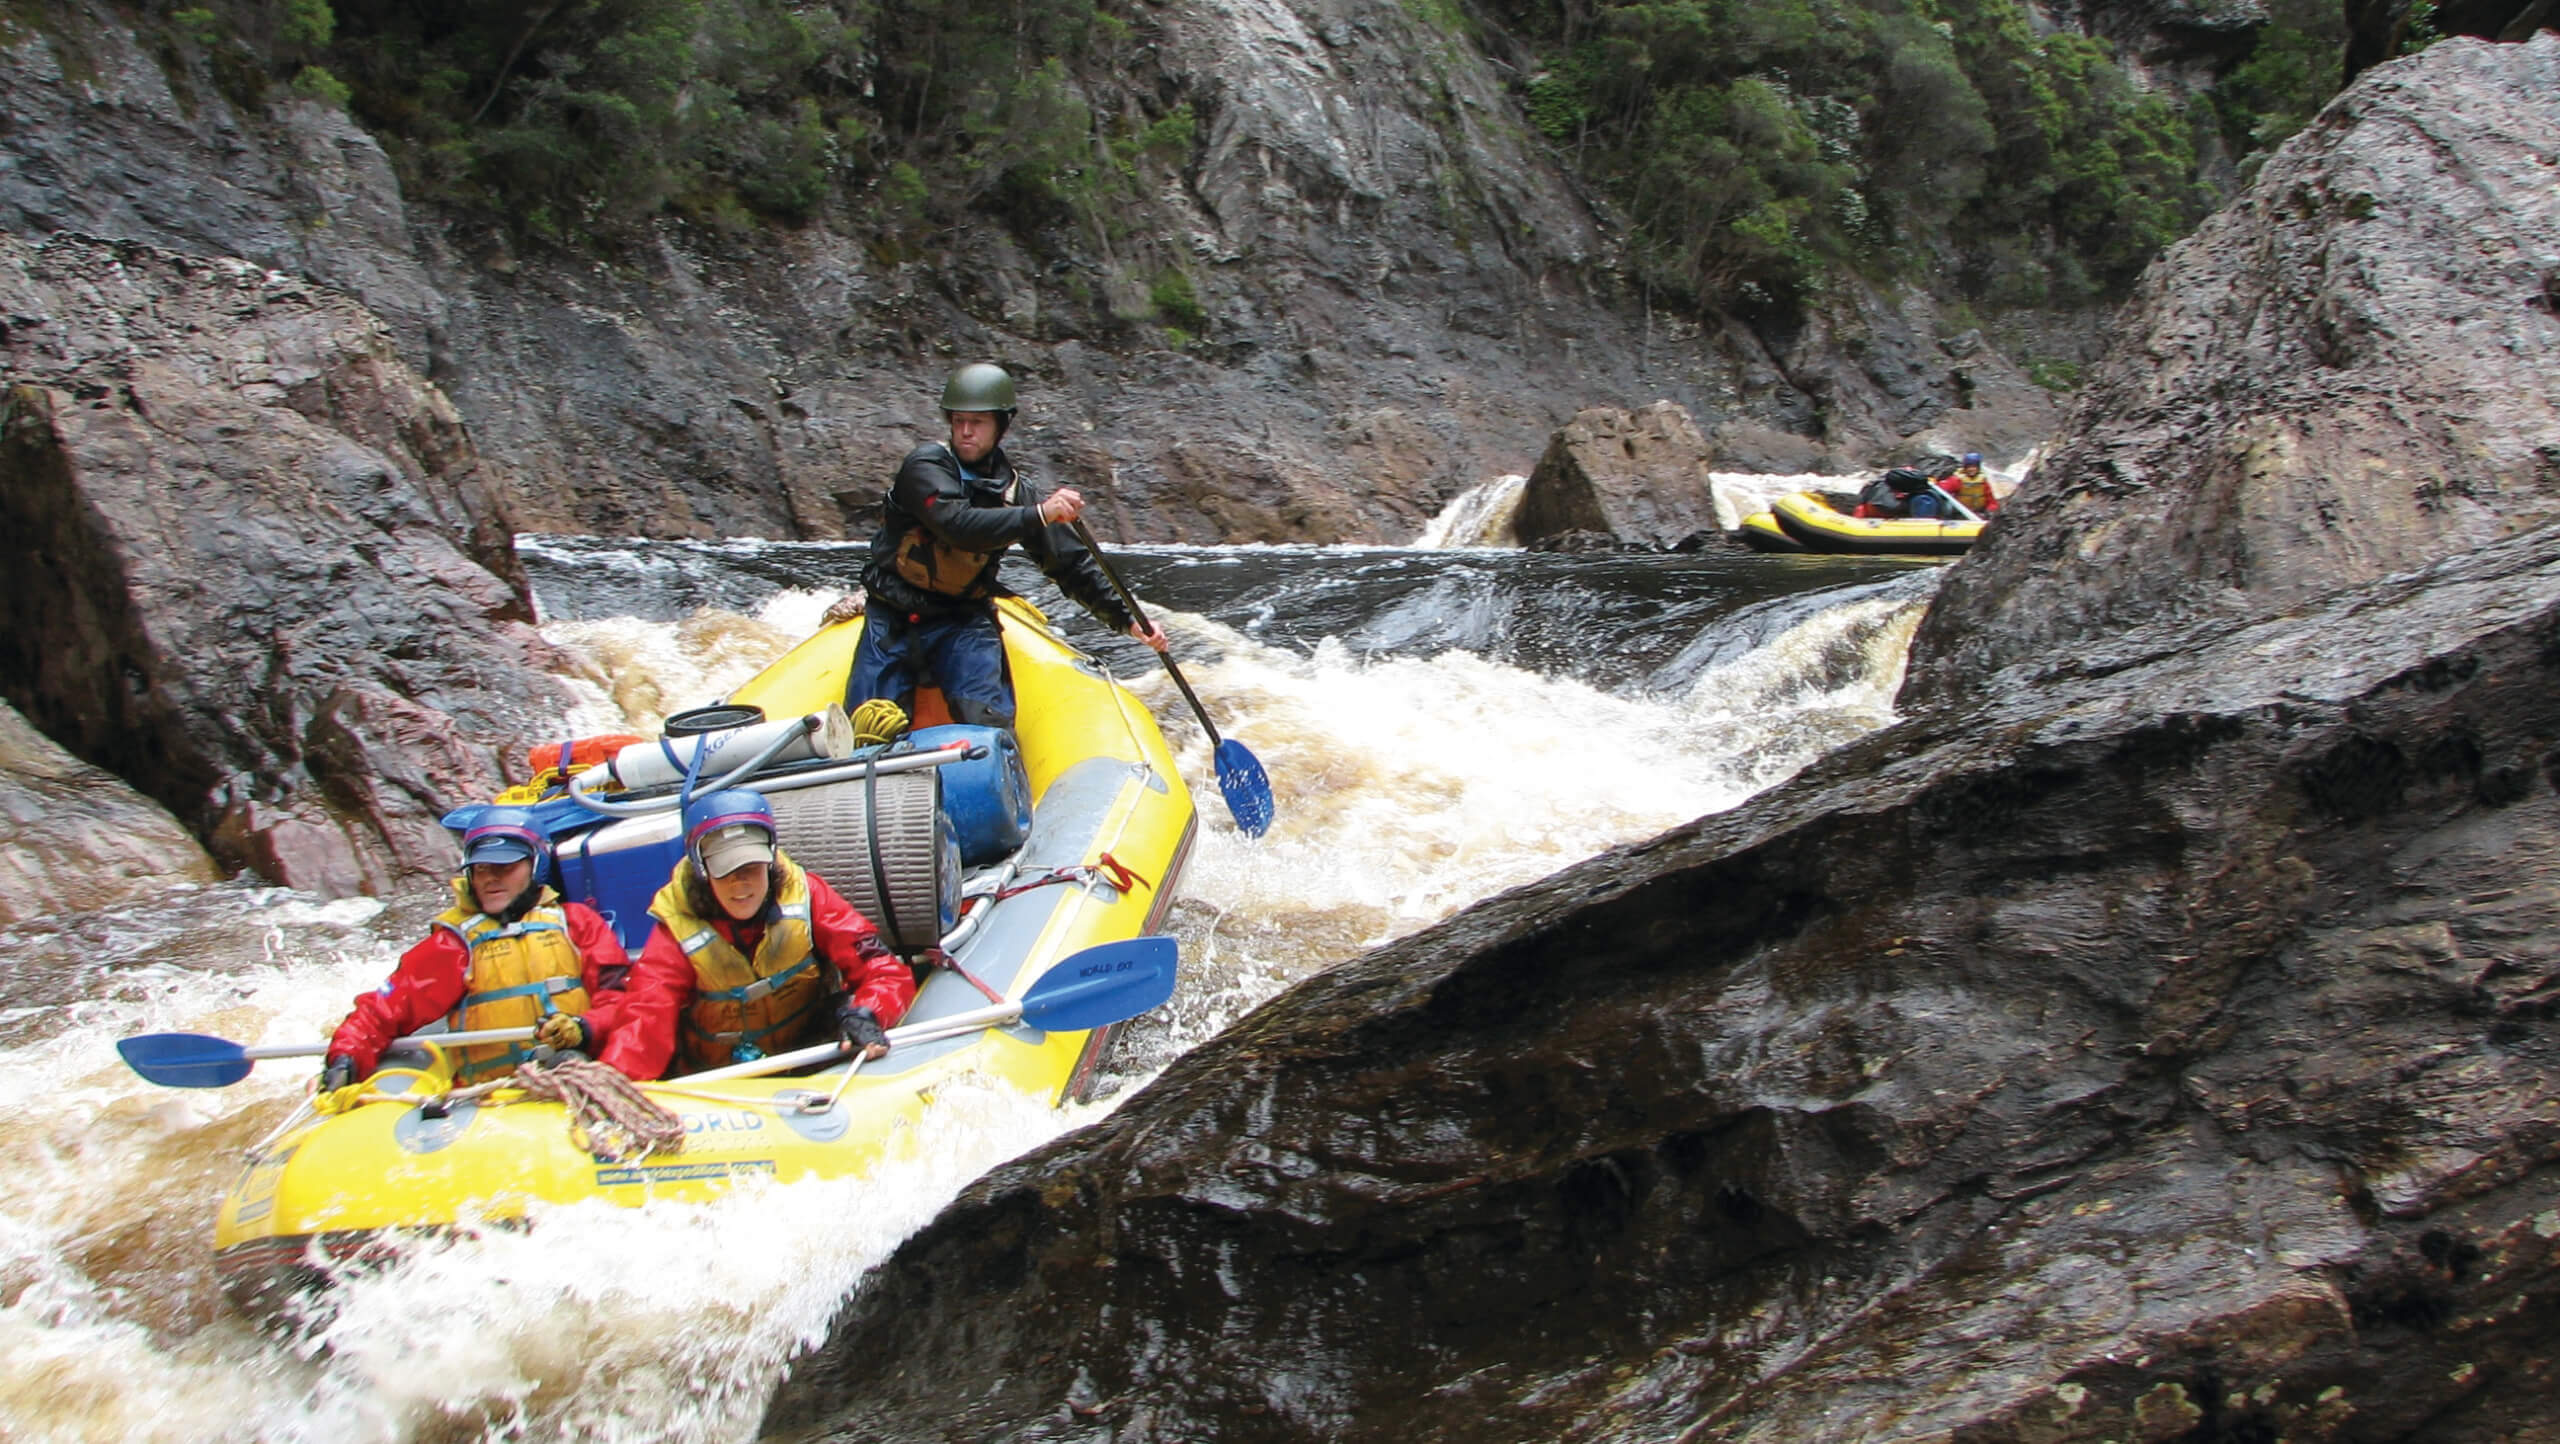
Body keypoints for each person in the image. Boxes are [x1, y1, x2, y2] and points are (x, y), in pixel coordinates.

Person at [848, 362, 1168, 730]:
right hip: (893, 616)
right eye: (958, 421)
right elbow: (957, 526)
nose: (965, 432)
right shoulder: (924, 466)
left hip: (963, 620)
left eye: (978, 422)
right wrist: (1040, 514)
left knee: (989, 730)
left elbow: (1070, 564)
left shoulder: (1016, 493)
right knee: (868, 729)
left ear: (1001, 425)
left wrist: (1127, 619)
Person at [596, 789, 917, 1080]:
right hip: (718, 1078)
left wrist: (867, 1013)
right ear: (702, 869)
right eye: (725, 871)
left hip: (808, 1056)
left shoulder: (808, 897)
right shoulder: (677, 930)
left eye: (751, 866)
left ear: (770, 858)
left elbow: (885, 971)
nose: (740, 884)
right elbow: (645, 1017)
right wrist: (614, 1080)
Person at [322, 808, 631, 1091]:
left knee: (570, 1062)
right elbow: (382, 1012)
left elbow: (620, 1001)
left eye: (505, 866)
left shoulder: (577, 923)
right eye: (481, 868)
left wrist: (583, 1028)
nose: (491, 878)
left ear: (536, 866)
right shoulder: (454, 944)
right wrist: (345, 1057)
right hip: (490, 1096)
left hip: (575, 1074)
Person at [1938, 452, 2000, 516]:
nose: (1971, 469)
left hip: (1979, 514)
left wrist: (1990, 510)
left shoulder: (1983, 482)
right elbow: (1942, 488)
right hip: (1961, 513)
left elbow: (1992, 502)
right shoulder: (1957, 480)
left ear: (1978, 468)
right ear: (1965, 468)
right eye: (1969, 467)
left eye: (1974, 467)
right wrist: (1936, 483)